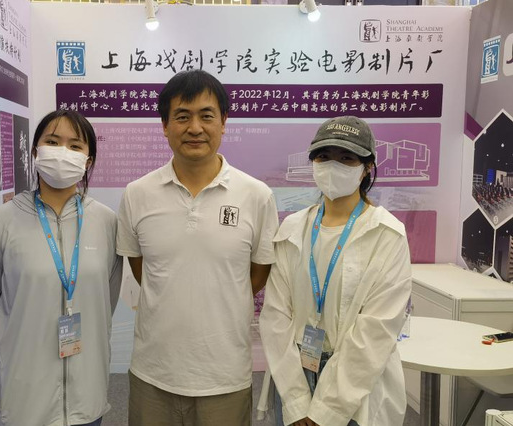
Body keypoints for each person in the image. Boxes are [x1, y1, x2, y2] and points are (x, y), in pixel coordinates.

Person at [116, 69, 279, 426]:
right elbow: (144, 270)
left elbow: (256, 275)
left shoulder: (256, 196)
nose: (195, 128)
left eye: (206, 116)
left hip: (224, 376)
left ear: (224, 122)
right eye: (182, 116)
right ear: (164, 125)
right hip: (153, 372)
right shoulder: (137, 194)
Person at [0, 110, 122, 426]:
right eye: (52, 142)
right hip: (20, 401)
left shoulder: (106, 222)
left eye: (75, 145)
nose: (62, 152)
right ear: (35, 151)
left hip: (84, 400)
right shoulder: (2, 222)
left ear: (88, 161)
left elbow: (105, 301)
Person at [259, 116, 412, 426]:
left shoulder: (386, 234)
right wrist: (297, 401)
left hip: (355, 390)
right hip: (294, 374)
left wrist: (325, 411)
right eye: (324, 156)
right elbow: (276, 316)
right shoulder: (292, 228)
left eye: (346, 158)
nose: (332, 166)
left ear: (367, 167)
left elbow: (375, 331)